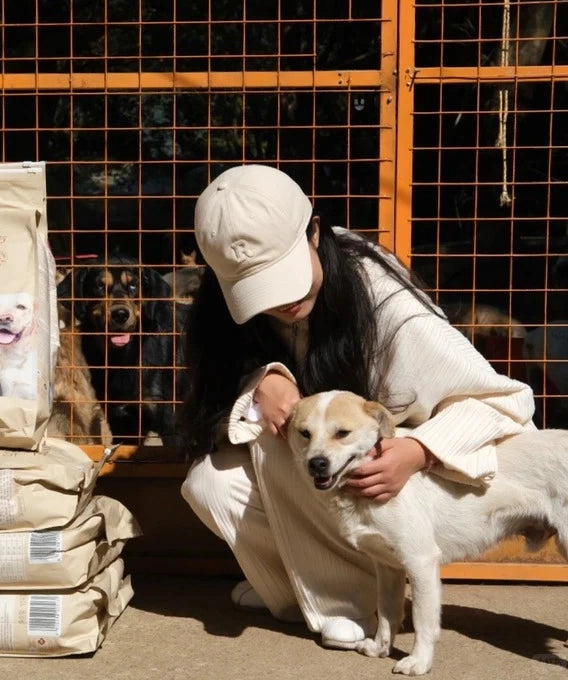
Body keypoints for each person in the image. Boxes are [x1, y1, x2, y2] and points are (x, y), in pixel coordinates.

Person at [179, 164, 535, 648]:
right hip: (336, 474)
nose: (281, 301)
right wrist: (258, 384)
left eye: (285, 274)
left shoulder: (385, 304)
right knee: (209, 484)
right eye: (257, 288)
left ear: (316, 232)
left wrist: (419, 452)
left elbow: (508, 402)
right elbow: (210, 425)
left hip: (406, 479)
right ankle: (301, 590)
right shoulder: (226, 319)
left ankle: (348, 603)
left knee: (314, 453)